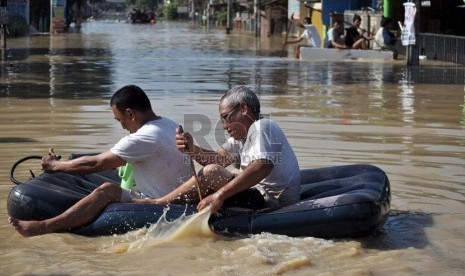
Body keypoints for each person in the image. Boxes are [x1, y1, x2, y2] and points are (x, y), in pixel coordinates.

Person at [8, 84, 192, 237]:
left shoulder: (142, 137)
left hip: (160, 202)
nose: (123, 126)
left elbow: (95, 164)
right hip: (182, 195)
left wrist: (55, 165)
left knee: (106, 190)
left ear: (131, 114)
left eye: (120, 120)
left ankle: (44, 227)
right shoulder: (170, 124)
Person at [153, 86, 301, 214]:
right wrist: (192, 149)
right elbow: (218, 159)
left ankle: (158, 204)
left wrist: (219, 195)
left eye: (226, 117)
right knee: (227, 171)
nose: (224, 126)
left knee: (211, 172)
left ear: (243, 108)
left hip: (273, 203)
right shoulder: (241, 138)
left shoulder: (262, 126)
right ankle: (168, 202)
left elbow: (263, 166)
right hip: (258, 195)